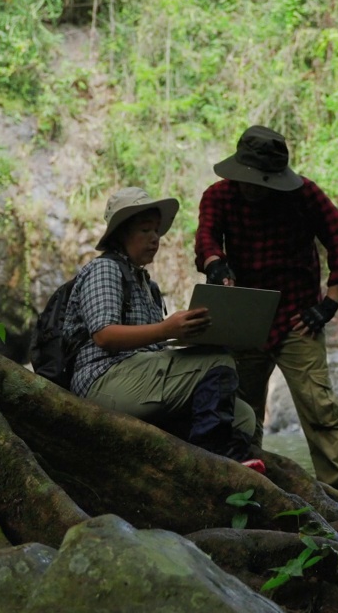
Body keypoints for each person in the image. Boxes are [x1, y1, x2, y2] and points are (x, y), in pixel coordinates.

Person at [195, 125, 338, 502]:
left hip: (298, 316)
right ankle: (252, 493)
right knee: (243, 412)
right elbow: (206, 237)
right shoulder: (218, 197)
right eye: (250, 180)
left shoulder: (305, 196)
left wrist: (329, 304)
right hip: (246, 317)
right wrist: (216, 264)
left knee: (320, 408)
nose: (254, 188)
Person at [65, 187, 259, 465]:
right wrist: (167, 329)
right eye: (145, 230)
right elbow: (104, 336)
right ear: (121, 234)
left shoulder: (147, 284)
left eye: (156, 231)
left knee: (243, 415)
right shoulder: (104, 269)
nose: (155, 238)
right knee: (217, 361)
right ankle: (210, 467)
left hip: (138, 378)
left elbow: (154, 343)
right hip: (102, 380)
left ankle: (226, 462)